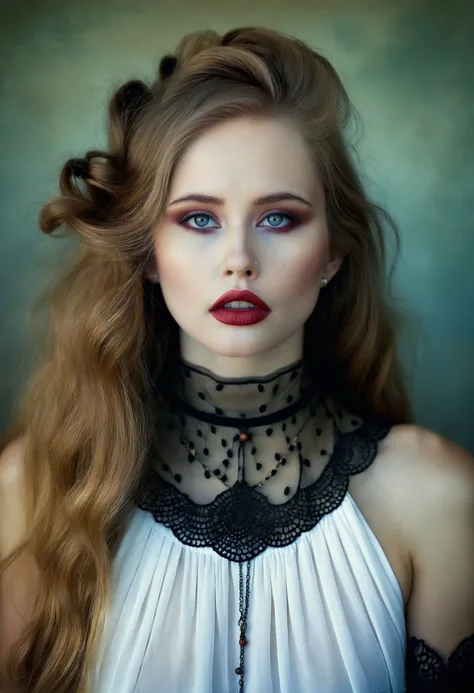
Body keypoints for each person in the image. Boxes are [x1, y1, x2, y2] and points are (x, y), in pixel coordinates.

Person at [0, 26, 473, 693]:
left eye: (279, 218)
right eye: (198, 218)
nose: (239, 259)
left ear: (333, 250)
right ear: (148, 253)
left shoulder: (438, 497)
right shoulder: (34, 488)